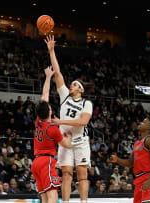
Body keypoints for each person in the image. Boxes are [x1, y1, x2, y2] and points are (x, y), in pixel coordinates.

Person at [45, 35, 93, 203]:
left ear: (80, 89)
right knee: (66, 174)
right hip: (65, 141)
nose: (70, 86)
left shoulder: (87, 103)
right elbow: (57, 73)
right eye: (71, 84)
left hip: (80, 140)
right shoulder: (65, 95)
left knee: (82, 175)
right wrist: (51, 51)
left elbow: (83, 122)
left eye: (73, 85)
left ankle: (83, 202)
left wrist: (60, 122)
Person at [31, 66, 72, 203]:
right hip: (46, 162)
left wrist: (48, 77)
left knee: (44, 197)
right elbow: (65, 144)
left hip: (36, 162)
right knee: (52, 195)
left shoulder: (38, 122)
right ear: (49, 112)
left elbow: (45, 94)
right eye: (49, 107)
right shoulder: (52, 128)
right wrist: (69, 136)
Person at [110, 117, 150, 203]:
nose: (140, 123)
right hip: (138, 180)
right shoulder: (137, 143)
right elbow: (130, 163)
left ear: (149, 127)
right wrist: (117, 160)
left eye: (144, 122)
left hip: (148, 176)